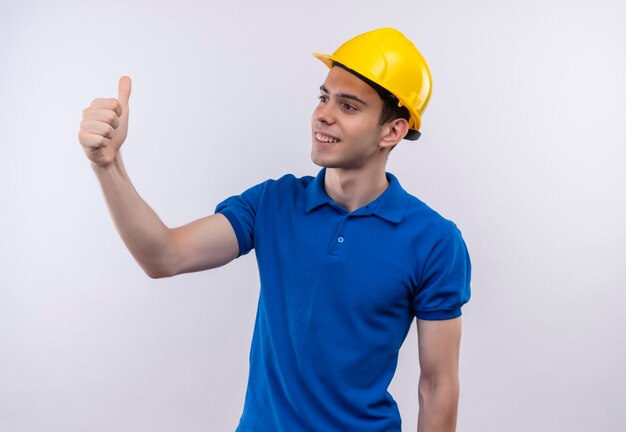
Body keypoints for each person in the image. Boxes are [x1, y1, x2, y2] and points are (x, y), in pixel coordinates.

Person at [78, 28, 471, 432]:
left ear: (392, 131)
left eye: (349, 106)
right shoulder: (272, 203)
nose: (324, 114)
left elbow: (438, 385)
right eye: (323, 98)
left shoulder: (435, 241)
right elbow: (164, 255)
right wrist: (107, 164)